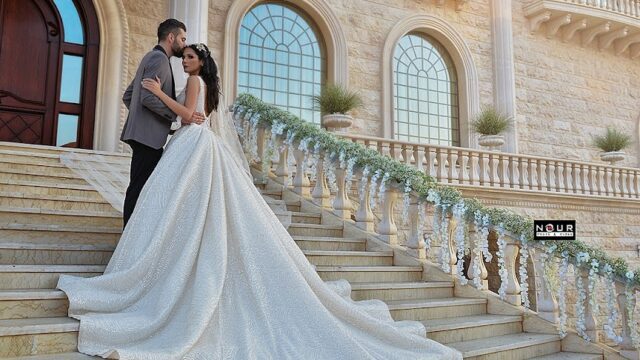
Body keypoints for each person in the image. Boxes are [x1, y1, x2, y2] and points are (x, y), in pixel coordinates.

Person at [57, 43, 462, 360]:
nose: (185, 62)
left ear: (202, 62)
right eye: (184, 57)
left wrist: (160, 94)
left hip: (193, 143)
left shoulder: (195, 83)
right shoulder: (206, 83)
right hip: (199, 145)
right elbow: (200, 117)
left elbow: (189, 118)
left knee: (182, 205)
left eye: (190, 57)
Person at [120, 18, 205, 227]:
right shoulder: (159, 60)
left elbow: (128, 96)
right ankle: (129, 236)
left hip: (144, 135)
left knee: (140, 187)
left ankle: (133, 234)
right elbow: (147, 98)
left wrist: (143, 120)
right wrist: (174, 116)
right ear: (171, 37)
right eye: (182, 39)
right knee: (139, 188)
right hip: (148, 139)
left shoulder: (150, 57)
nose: (184, 44)